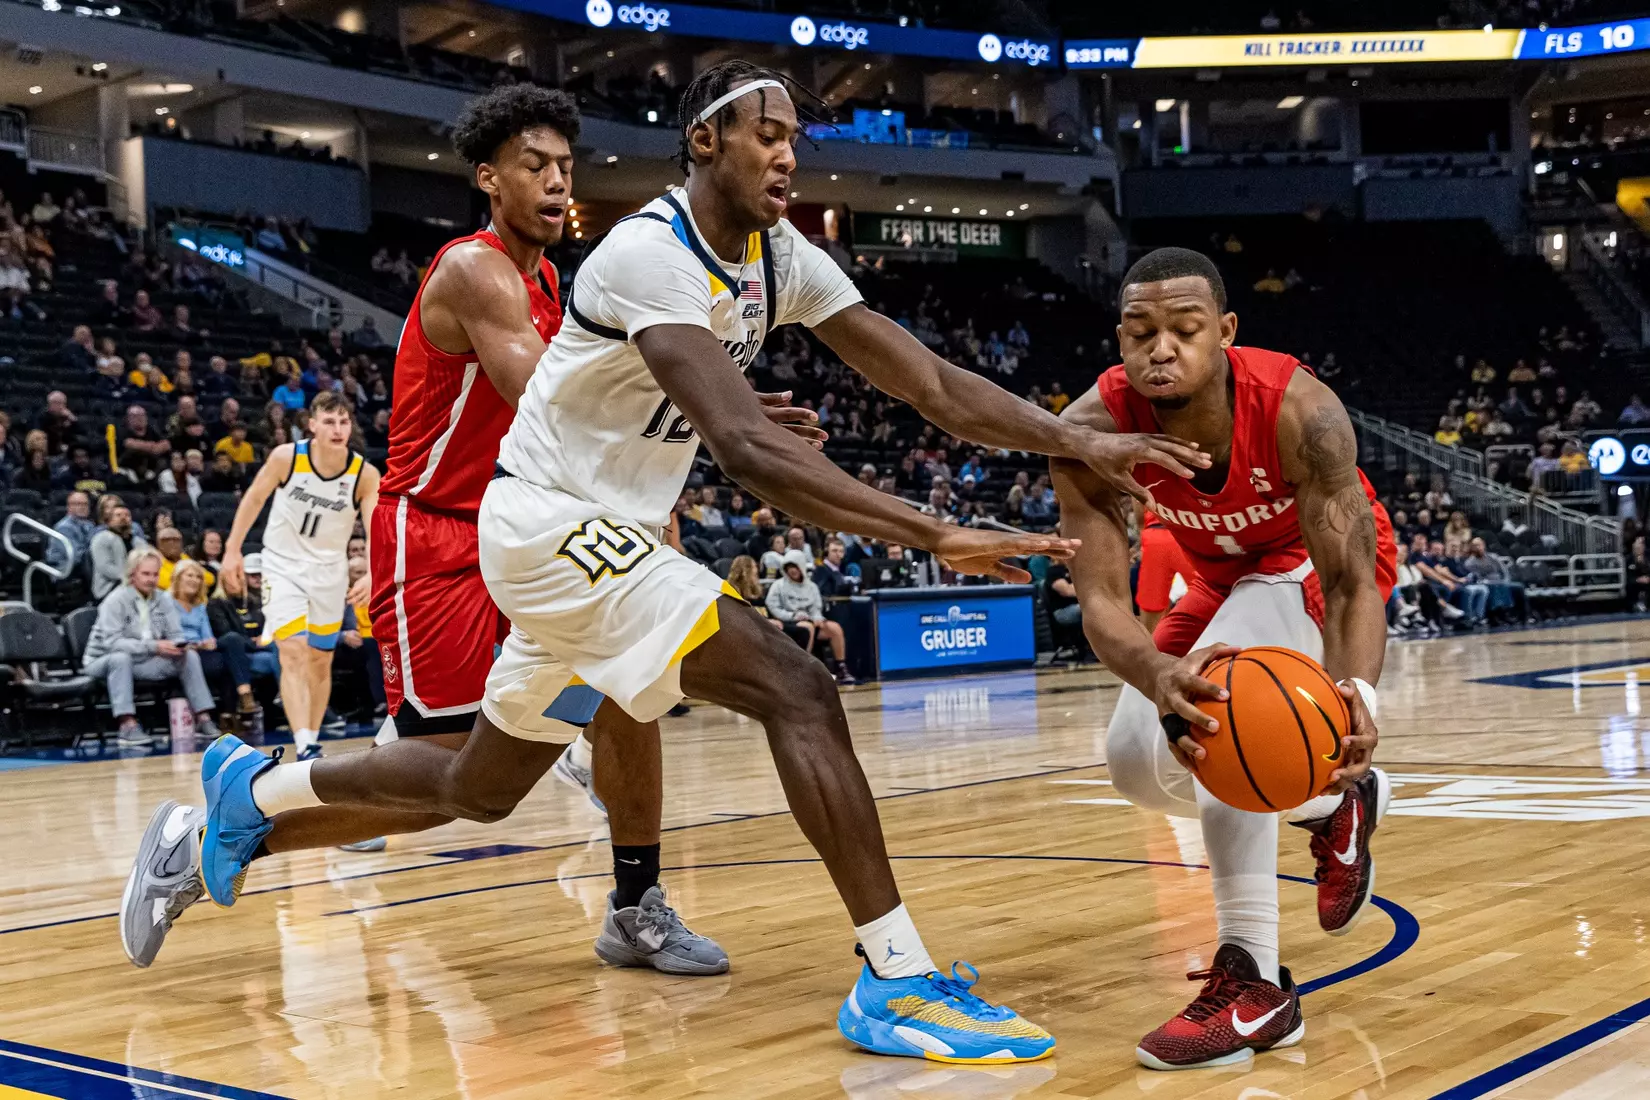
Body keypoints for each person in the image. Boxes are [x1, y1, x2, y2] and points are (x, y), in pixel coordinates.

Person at [185, 63, 1203, 1060]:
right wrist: (932, 531)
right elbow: (747, 449)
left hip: (598, 532)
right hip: (549, 525)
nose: (789, 155)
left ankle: (254, 791)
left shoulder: (779, 256)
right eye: (770, 133)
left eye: (796, 138)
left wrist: (1078, 440)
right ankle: (894, 976)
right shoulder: (647, 253)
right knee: (798, 687)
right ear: (705, 140)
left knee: (481, 784)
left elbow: (927, 381)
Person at [122, 86, 732, 970]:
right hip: (438, 537)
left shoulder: (548, 281)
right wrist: (703, 408)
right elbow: (547, 401)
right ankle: (237, 810)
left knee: (627, 688)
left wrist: (650, 492)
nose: (558, 182)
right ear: (488, 178)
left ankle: (637, 904)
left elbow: (581, 430)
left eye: (566, 167)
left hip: (531, 527)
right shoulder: (473, 270)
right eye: (535, 165)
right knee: (453, 781)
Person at [1050, 247, 1396, 1070]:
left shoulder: (1299, 409)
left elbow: (1351, 581)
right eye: (1141, 332)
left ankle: (1255, 984)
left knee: (1223, 715)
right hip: (1220, 577)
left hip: (1315, 565)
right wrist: (1153, 675)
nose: (1161, 347)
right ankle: (1329, 805)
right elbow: (1101, 601)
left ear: (1227, 331)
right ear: (1120, 339)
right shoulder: (1091, 429)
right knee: (1135, 759)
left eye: (1184, 328)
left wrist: (1358, 696)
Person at [218, 392, 378, 760]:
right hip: (282, 565)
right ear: (312, 424)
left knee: (320, 659)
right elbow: (254, 499)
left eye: (344, 422)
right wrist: (232, 550)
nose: (337, 429)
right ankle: (305, 743)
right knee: (291, 649)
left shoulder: (364, 475)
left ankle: (312, 733)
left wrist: (373, 570)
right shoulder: (286, 458)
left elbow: (375, 530)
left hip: (330, 572)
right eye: (329, 421)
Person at [82, 547, 221, 747]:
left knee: (189, 656)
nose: (151, 579)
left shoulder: (163, 599)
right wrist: (154, 647)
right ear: (132, 574)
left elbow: (176, 633)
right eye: (145, 574)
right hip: (102, 660)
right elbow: (112, 643)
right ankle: (127, 725)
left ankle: (203, 718)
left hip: (143, 661)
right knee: (120, 658)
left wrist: (178, 645)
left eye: (155, 574)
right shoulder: (114, 600)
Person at [167, 560, 260, 724]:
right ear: (178, 578)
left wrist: (206, 643)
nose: (195, 580)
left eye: (198, 577)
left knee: (231, 645)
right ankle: (237, 704)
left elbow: (207, 635)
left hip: (202, 651)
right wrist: (196, 645)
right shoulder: (167, 603)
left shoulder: (200, 606)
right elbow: (169, 635)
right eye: (190, 575)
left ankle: (233, 710)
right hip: (180, 652)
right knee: (230, 656)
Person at [766, 559, 852, 682]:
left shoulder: (811, 586)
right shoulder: (778, 585)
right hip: (788, 621)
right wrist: (792, 615)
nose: (793, 570)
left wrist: (817, 617)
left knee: (835, 628)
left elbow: (816, 607)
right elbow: (773, 606)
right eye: (790, 567)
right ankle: (805, 668)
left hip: (809, 619)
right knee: (807, 628)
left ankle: (841, 667)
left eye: (796, 567)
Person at [1135, 509, 1196, 634]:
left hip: (1155, 534)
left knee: (1151, 618)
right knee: (1213, 597)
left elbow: (1139, 512)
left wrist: (1144, 535)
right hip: (1188, 530)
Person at [90, 499, 145, 600]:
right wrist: (129, 578)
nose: (123, 518)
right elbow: (105, 567)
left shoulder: (139, 542)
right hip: (109, 588)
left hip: (137, 585)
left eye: (127, 515)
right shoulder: (101, 538)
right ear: (109, 520)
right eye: (118, 515)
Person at [46, 489, 96, 574]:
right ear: (69, 507)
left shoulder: (89, 524)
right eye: (78, 504)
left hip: (84, 567)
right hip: (65, 569)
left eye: (85, 504)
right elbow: (75, 556)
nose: (83, 507)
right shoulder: (63, 527)